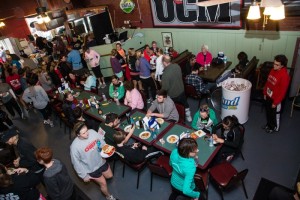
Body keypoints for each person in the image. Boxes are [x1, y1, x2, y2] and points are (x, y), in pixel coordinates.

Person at [70, 122, 118, 200]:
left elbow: (101, 140)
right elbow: (76, 163)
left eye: (87, 130)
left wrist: (106, 148)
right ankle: (109, 196)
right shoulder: (74, 147)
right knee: (103, 184)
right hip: (91, 169)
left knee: (110, 176)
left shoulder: (92, 132)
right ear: (78, 135)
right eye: (84, 133)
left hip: (101, 161)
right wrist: (83, 175)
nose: (87, 134)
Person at [262, 55, 290, 134]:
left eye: (277, 65)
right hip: (268, 96)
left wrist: (276, 102)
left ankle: (274, 127)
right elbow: (268, 82)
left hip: (275, 99)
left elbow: (282, 92)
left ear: (282, 65)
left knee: (274, 114)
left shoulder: (284, 76)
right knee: (268, 112)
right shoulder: (273, 70)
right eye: (274, 63)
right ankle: (269, 124)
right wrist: (265, 93)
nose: (274, 66)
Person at [161, 55, 192, 122]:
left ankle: (175, 118)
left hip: (173, 94)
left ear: (164, 62)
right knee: (185, 104)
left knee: (172, 107)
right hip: (181, 90)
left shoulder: (165, 74)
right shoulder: (177, 66)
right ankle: (188, 116)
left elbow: (165, 88)